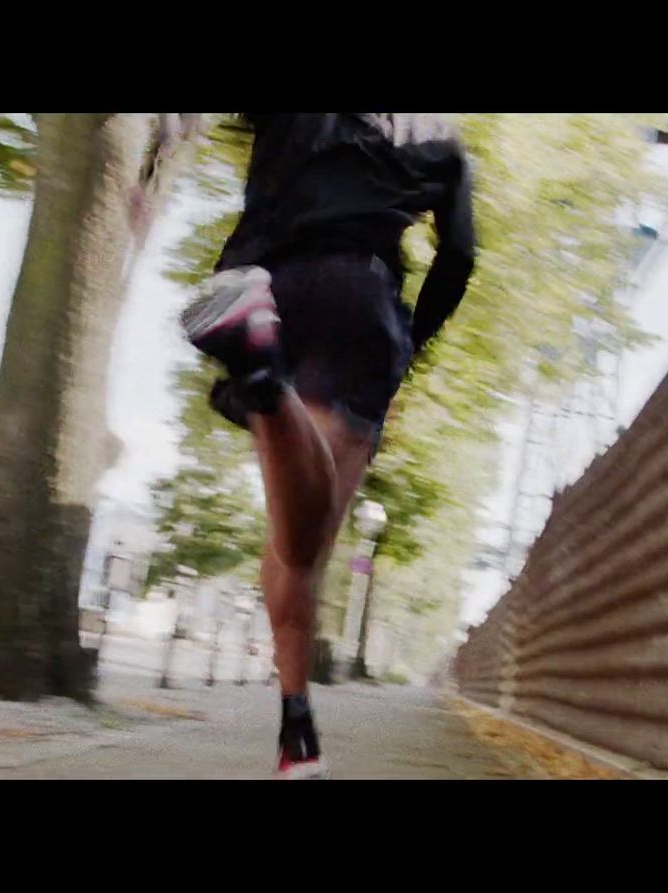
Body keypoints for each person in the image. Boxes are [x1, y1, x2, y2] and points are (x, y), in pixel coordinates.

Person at [179, 114, 477, 778]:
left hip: (272, 287)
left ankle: (297, 727)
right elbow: (457, 259)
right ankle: (264, 380)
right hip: (358, 297)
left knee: (287, 529)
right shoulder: (443, 139)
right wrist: (411, 342)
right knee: (305, 541)